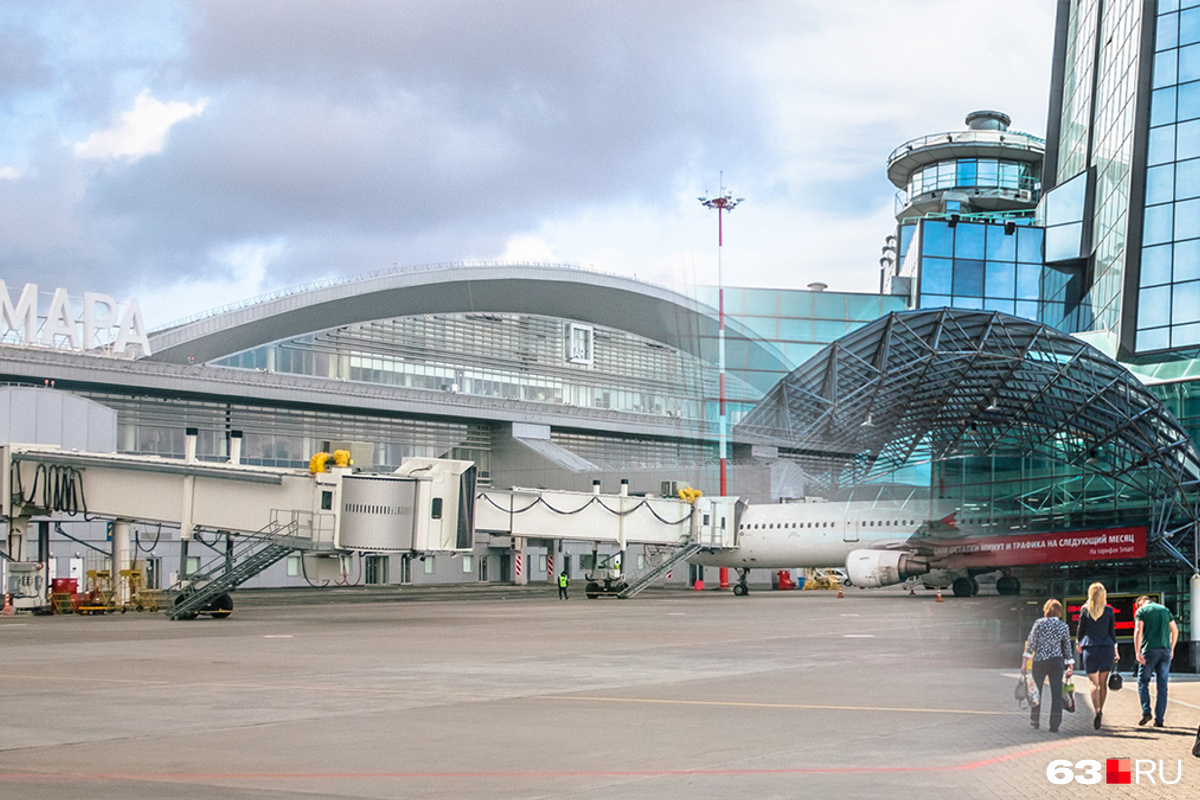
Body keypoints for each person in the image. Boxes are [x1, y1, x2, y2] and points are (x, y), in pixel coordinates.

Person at [1023, 598, 1075, 733]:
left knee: (1037, 691)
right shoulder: (1063, 626)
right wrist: (1070, 665)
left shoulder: (1039, 624)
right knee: (1056, 693)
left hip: (1039, 661)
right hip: (1056, 662)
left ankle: (1035, 719)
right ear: (1059, 611)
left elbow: (1031, 644)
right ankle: (1054, 724)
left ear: (1046, 610)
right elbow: (1067, 648)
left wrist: (1024, 663)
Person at [1076, 582, 1120, 730]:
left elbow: (1080, 630)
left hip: (1091, 648)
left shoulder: (1085, 610)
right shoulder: (1109, 611)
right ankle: (1101, 707)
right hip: (1106, 648)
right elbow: (1112, 633)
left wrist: (1078, 643)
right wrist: (1115, 650)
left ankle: (1097, 710)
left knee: (1093, 683)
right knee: (1103, 683)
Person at [1134, 595, 1178, 727]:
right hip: (1165, 651)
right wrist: (1172, 647)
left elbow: (1138, 631)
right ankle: (1159, 720)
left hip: (1150, 651)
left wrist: (1137, 651)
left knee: (1143, 682)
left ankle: (1146, 711)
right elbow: (1175, 630)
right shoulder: (1165, 610)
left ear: (1141, 602)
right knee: (1162, 686)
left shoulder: (1142, 611)